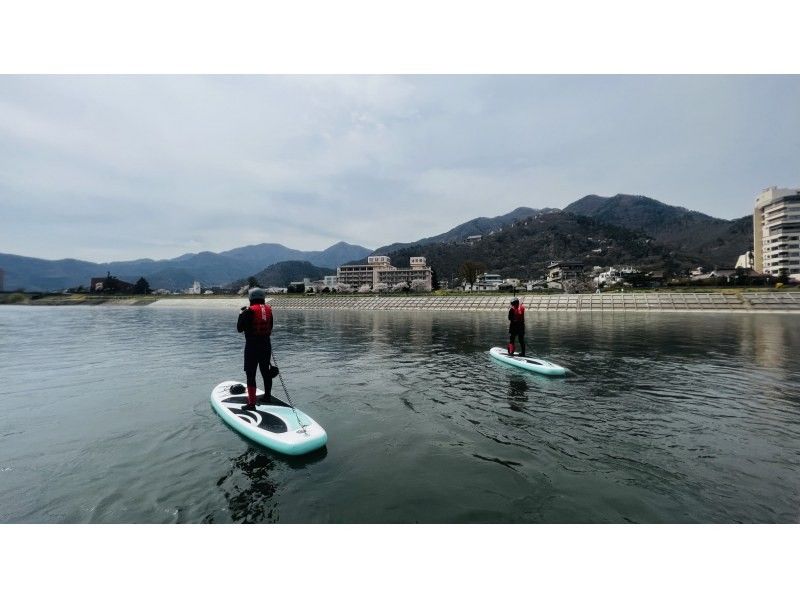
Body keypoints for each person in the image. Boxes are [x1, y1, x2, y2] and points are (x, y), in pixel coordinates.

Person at [237, 287, 274, 410]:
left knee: (251, 374)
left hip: (252, 347)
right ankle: (267, 396)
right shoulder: (269, 310)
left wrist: (240, 314)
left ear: (250, 298)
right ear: (263, 298)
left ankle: (251, 404)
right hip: (266, 346)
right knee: (265, 372)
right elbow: (271, 326)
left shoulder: (248, 311)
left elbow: (239, 329)